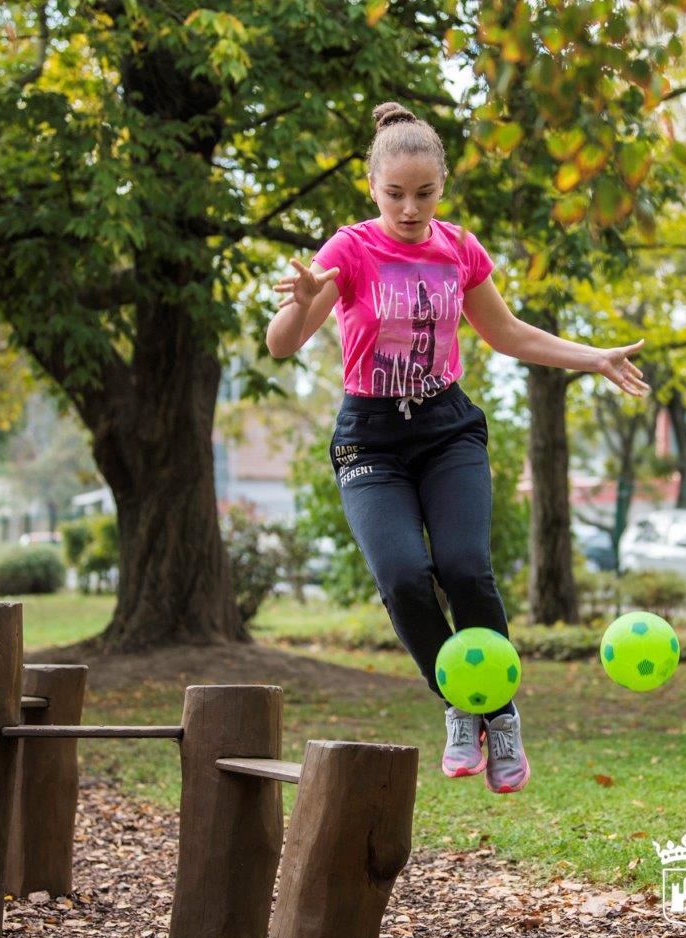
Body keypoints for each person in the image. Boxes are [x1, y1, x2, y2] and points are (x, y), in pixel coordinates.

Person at [265, 102, 649, 794]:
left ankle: (499, 716)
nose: (410, 209)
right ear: (372, 186)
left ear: (441, 186)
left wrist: (593, 358)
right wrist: (296, 301)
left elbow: (507, 334)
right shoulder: (348, 250)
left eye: (425, 193)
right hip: (371, 438)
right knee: (406, 576)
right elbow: (282, 344)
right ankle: (457, 703)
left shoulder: (458, 248)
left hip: (447, 428)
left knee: (467, 567)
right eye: (395, 194)